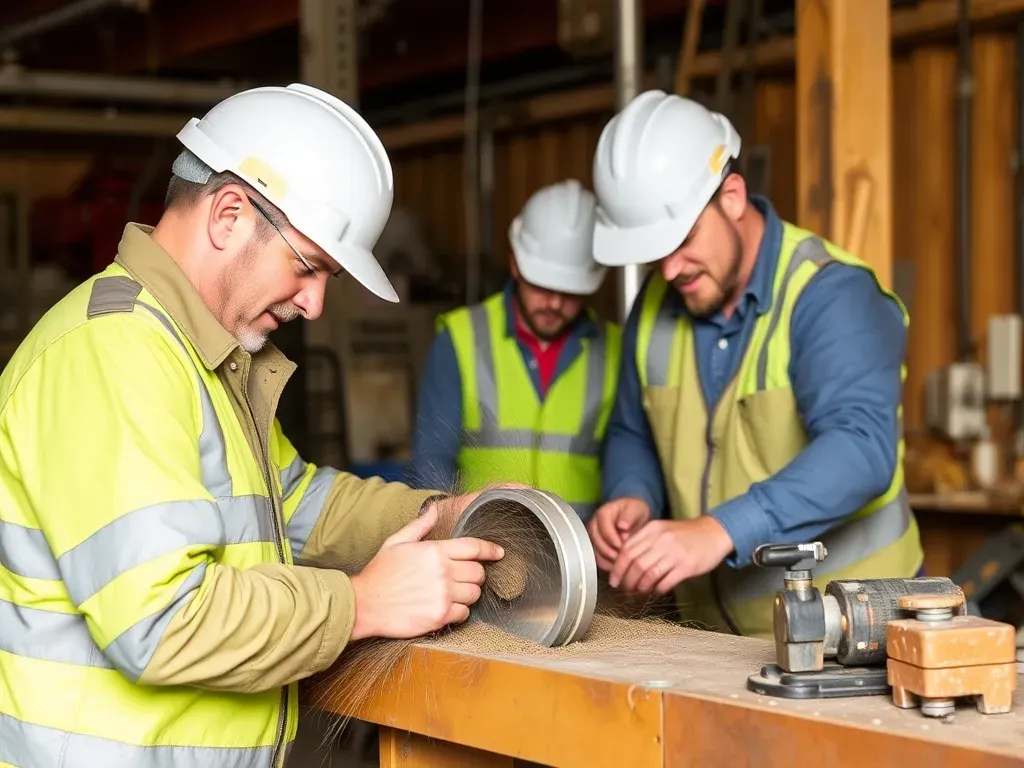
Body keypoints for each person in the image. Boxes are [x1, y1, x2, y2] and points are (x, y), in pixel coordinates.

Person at [0, 83, 504, 766]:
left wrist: (447, 516)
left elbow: (297, 504)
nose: (317, 303)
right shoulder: (113, 354)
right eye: (307, 266)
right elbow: (163, 621)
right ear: (229, 215)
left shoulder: (195, 357)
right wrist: (360, 603)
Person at [586, 89, 923, 639]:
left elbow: (862, 448)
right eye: (653, 253)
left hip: (855, 634)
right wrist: (632, 495)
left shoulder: (829, 293)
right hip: (715, 644)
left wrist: (720, 529)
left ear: (734, 196)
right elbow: (632, 428)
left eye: (685, 239)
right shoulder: (655, 306)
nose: (669, 270)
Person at [408, 179, 621, 522]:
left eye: (570, 291)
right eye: (542, 284)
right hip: (482, 554)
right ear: (515, 264)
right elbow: (430, 467)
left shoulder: (615, 349)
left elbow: (625, 459)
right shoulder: (461, 339)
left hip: (580, 557)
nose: (554, 302)